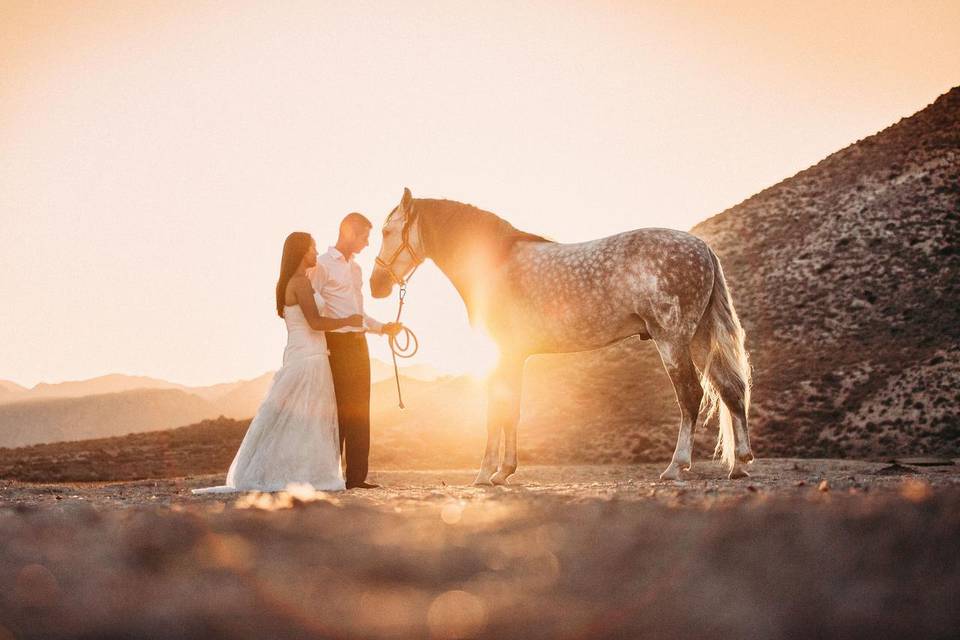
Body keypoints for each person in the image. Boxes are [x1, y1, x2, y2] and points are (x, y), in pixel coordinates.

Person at [193, 232, 360, 493]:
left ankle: (298, 470)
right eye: (313, 248)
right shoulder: (300, 284)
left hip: (304, 354)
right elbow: (315, 323)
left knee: (298, 418)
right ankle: (302, 472)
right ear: (302, 252)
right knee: (307, 419)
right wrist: (348, 320)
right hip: (308, 358)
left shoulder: (290, 283)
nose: (316, 253)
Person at [310, 213, 402, 489]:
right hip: (334, 345)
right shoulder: (322, 265)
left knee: (361, 410)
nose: (366, 243)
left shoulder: (356, 270)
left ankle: (356, 478)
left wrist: (382, 328)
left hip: (358, 344)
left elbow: (358, 313)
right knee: (337, 411)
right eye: (363, 236)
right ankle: (330, 476)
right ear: (347, 231)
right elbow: (311, 306)